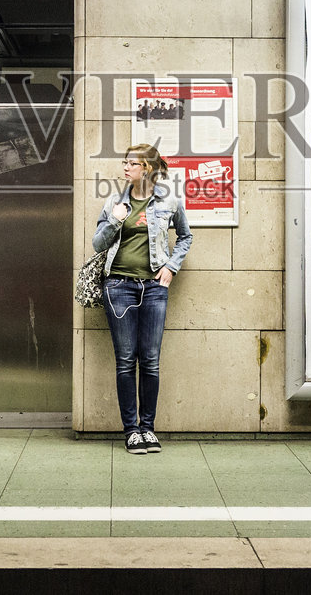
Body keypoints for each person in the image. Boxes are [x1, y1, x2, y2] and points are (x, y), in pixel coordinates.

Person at [91, 143, 192, 456]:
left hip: (153, 289)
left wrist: (171, 268)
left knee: (149, 360)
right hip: (118, 287)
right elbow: (97, 244)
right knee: (125, 360)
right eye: (124, 162)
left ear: (147, 168)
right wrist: (115, 221)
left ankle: (148, 428)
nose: (125, 167)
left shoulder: (169, 201)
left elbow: (186, 237)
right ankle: (131, 431)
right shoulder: (115, 202)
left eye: (131, 163)